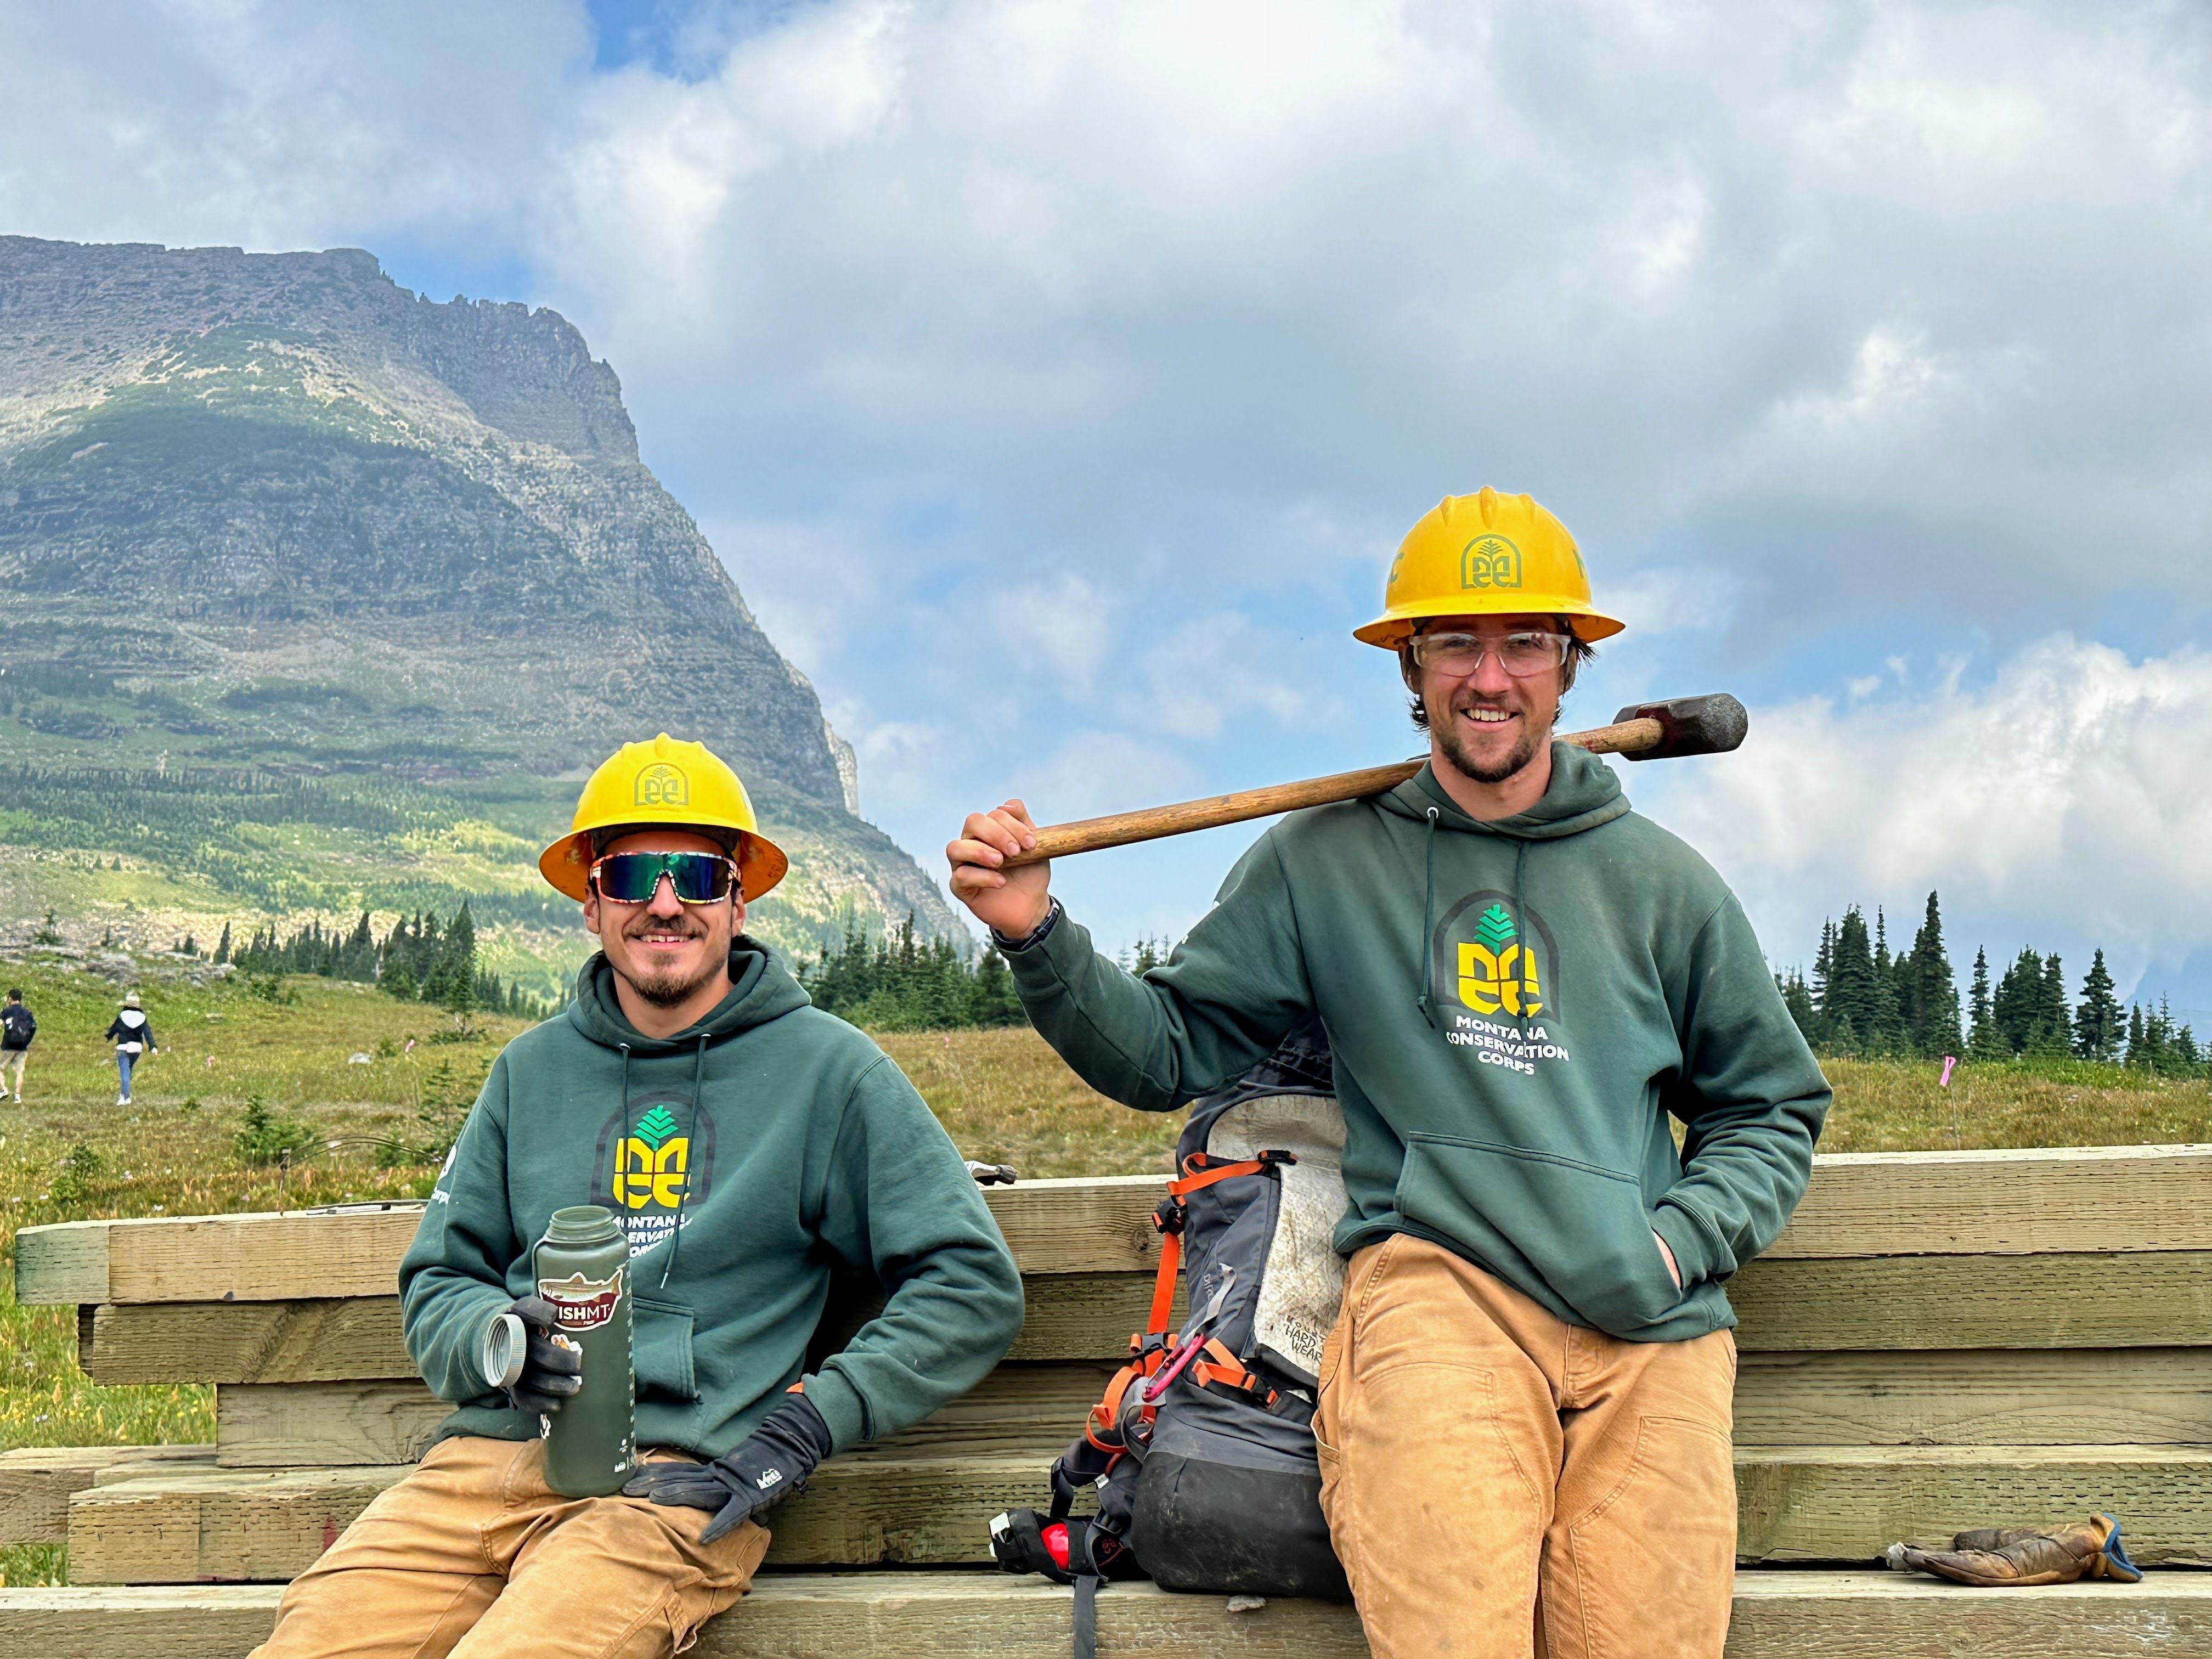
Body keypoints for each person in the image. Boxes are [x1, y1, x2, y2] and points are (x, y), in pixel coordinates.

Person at [947, 489, 1830, 1659]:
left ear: (1569, 668)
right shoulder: (1324, 864)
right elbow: (1166, 1051)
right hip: (1440, 1303)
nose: (1490, 676)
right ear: (1409, 667)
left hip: (1649, 1338)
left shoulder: (1665, 886)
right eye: (1455, 642)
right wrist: (1033, 933)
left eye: (1524, 644)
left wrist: (1674, 1243)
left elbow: (1768, 1110)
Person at [255, 734, 1025, 1659]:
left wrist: (807, 1422)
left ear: (740, 898)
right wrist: (499, 1342)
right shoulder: (528, 1071)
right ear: (591, 901)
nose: (666, 901)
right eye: (632, 875)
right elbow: (442, 1275)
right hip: (480, 1464)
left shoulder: (830, 1070)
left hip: (675, 1483)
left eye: (696, 874)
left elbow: (969, 1280)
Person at [103, 991, 155, 1106]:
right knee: (129, 1070)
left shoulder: (122, 1016)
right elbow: (147, 1033)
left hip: (123, 1047)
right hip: (136, 1048)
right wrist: (153, 1046)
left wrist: (109, 1037)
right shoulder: (142, 1017)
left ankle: (125, 1097)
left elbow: (114, 1029)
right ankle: (125, 1093)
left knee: (124, 1073)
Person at [1, 988, 33, 1102]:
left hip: (8, 1045)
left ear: (10, 998)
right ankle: (18, 1097)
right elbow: (33, 1027)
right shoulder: (27, 1013)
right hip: (23, 1046)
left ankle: (3, 1090)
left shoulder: (6, 1012)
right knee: (19, 1072)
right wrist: (27, 1041)